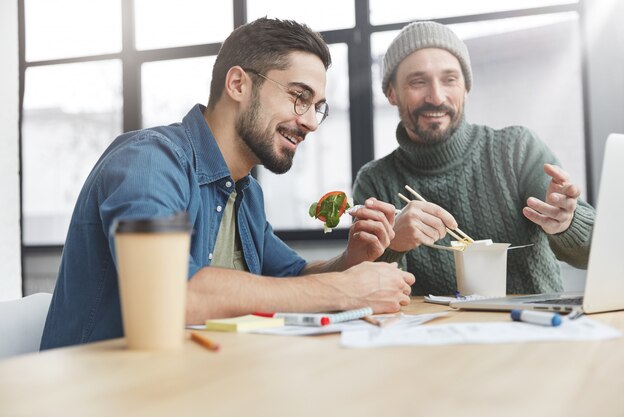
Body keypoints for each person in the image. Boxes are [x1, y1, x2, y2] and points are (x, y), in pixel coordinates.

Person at [41, 18, 414, 350]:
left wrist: (351, 260)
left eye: (317, 106)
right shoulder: (150, 161)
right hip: (104, 394)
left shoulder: (245, 191)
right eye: (299, 97)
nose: (311, 123)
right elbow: (168, 295)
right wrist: (343, 290)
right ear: (237, 84)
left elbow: (292, 277)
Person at [353, 21, 595, 296]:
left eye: (450, 80)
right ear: (391, 93)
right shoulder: (375, 182)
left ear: (466, 88)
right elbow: (364, 291)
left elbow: (592, 254)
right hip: (431, 335)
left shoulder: (517, 150)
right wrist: (392, 244)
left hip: (533, 328)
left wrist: (567, 222)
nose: (436, 96)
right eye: (418, 82)